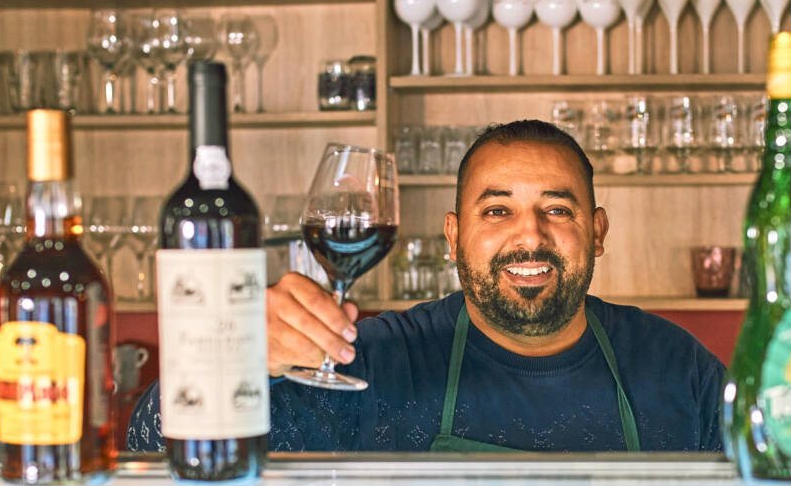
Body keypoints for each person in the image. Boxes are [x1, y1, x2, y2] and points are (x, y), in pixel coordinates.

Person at [128, 119, 725, 453]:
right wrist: (235, 356)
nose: (530, 236)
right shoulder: (373, 361)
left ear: (597, 232)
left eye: (559, 210)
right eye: (496, 212)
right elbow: (150, 442)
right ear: (453, 235)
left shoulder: (680, 369)